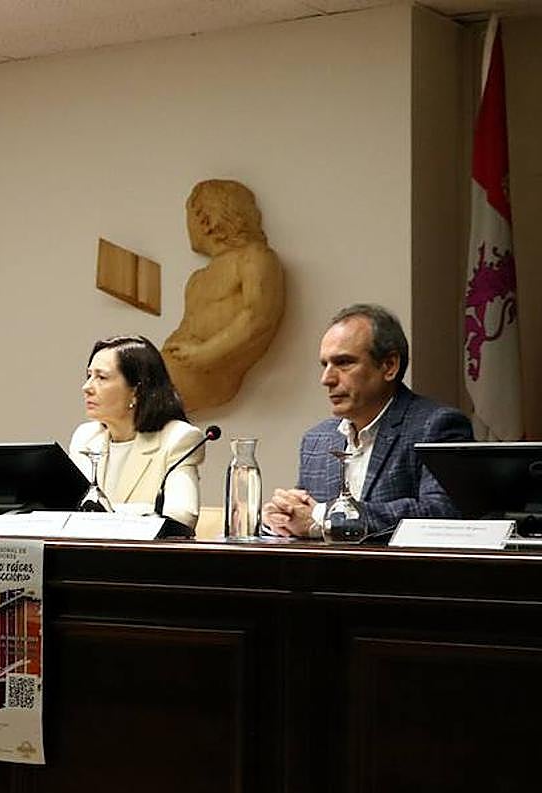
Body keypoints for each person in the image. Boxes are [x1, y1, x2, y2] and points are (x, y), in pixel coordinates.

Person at [261, 304, 473, 539]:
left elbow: (442, 515)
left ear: (389, 366)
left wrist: (324, 516)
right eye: (325, 364)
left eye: (343, 363)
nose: (326, 379)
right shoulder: (316, 440)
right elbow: (305, 520)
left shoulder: (437, 426)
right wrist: (281, 518)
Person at [162, 179, 285, 412]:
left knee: (119, 386)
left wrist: (204, 354)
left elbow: (258, 318)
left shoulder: (254, 257)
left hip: (210, 373)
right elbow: (188, 327)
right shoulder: (197, 279)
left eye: (189, 218)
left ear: (206, 220)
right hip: (181, 365)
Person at [69, 335, 204, 531]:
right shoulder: (86, 437)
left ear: (136, 391)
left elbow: (182, 517)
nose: (87, 387)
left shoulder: (178, 439)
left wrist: (101, 515)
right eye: (89, 375)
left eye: (101, 377)